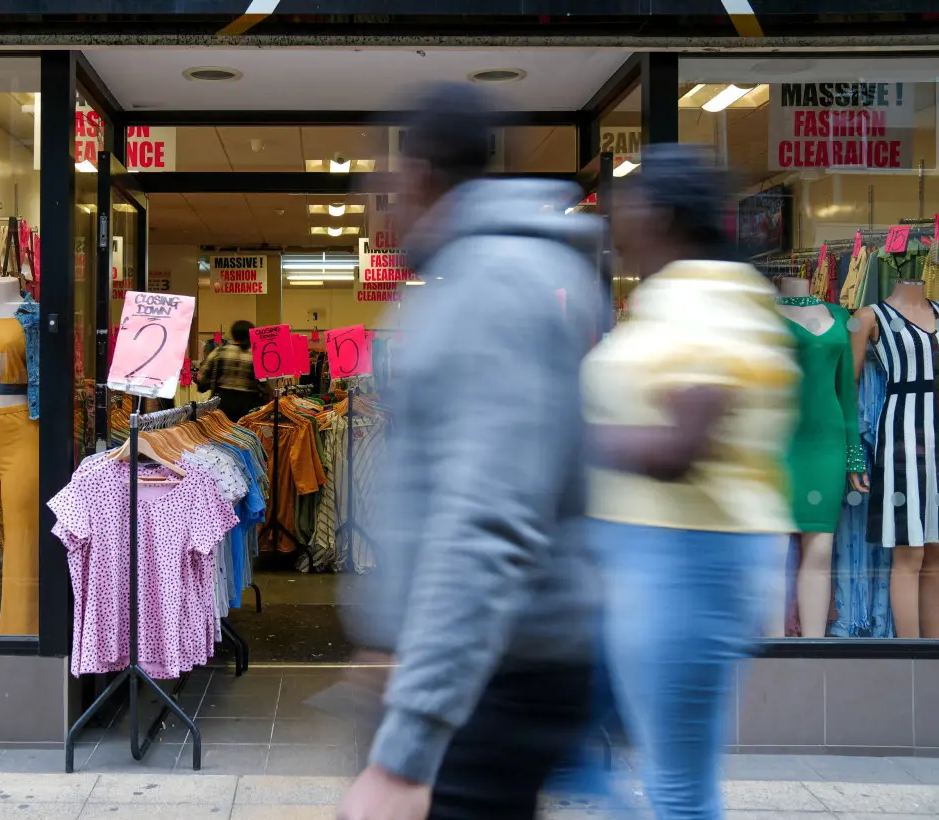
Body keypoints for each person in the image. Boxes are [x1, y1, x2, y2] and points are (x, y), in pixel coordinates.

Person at [337, 83, 605, 820]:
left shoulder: (495, 285)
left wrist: (406, 749)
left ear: (418, 173)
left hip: (492, 680)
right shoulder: (479, 278)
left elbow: (487, 517)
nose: (378, 201)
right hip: (476, 670)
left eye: (383, 182)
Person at [582, 143, 798, 819]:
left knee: (678, 785)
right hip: (650, 555)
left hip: (687, 559)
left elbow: (683, 445)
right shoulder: (677, 296)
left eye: (625, 207)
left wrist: (562, 437)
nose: (615, 225)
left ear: (662, 212)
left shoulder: (711, 303)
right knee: (586, 744)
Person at [197, 319, 266, 421]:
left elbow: (202, 380)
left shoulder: (219, 352)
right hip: (250, 405)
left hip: (223, 404)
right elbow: (265, 386)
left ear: (233, 334)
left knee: (223, 434)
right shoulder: (257, 355)